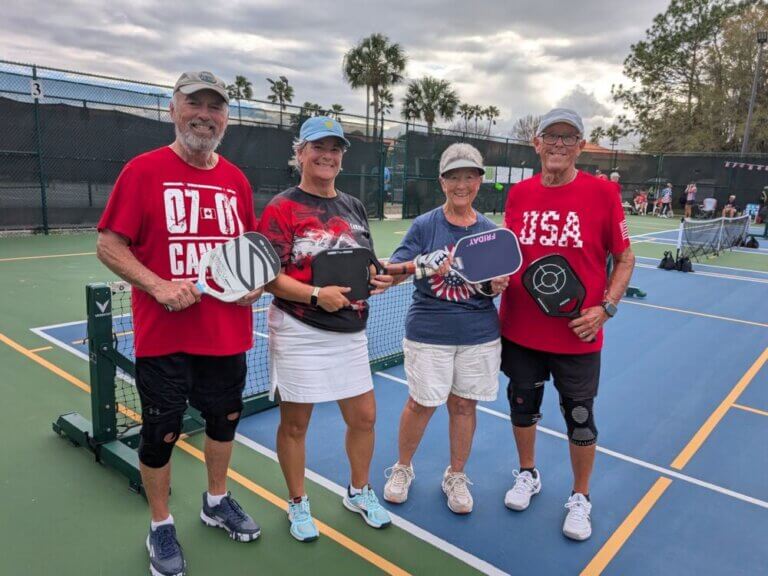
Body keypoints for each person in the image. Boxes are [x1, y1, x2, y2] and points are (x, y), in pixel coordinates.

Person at [96, 71, 262, 576]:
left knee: (223, 424)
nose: (205, 115)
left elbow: (247, 255)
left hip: (226, 335)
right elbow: (108, 244)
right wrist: (159, 286)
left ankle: (216, 501)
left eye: (216, 107)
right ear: (173, 109)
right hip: (165, 340)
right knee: (161, 432)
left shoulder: (236, 180)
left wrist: (252, 285)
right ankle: (161, 525)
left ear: (226, 119)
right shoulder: (142, 171)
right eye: (196, 103)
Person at [499, 108, 635, 541]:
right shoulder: (518, 194)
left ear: (579, 145)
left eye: (568, 137)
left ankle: (580, 497)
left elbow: (625, 257)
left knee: (579, 416)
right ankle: (527, 474)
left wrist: (606, 308)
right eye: (550, 137)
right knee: (522, 408)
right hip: (520, 330)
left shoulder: (603, 193)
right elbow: (507, 255)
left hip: (579, 334)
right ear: (536, 144)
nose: (558, 144)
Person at [257, 116, 394, 542]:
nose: (328, 156)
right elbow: (267, 277)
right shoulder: (282, 207)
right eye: (319, 147)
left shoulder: (352, 206)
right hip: (300, 328)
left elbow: (364, 262)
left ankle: (358, 490)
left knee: (365, 418)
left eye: (335, 149)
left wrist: (380, 276)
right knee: (296, 425)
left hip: (350, 329)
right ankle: (298, 503)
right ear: (300, 153)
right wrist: (316, 294)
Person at [382, 144, 509, 514]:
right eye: (454, 176)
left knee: (464, 406)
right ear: (442, 182)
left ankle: (456, 475)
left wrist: (494, 286)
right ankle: (403, 468)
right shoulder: (425, 226)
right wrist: (424, 263)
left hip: (478, 335)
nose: (462, 183)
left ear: (479, 181)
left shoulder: (489, 231)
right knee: (421, 404)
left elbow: (488, 286)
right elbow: (395, 271)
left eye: (469, 176)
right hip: (429, 332)